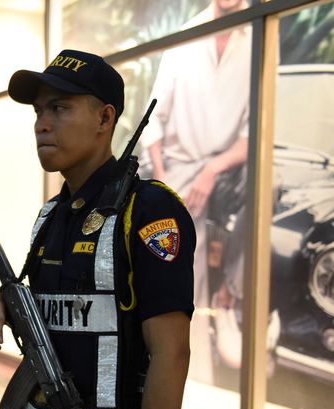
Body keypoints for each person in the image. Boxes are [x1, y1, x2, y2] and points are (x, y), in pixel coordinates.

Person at [0, 49, 195, 409]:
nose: (42, 124)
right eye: (39, 111)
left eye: (60, 108)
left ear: (105, 118)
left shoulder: (150, 212)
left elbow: (171, 356)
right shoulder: (51, 215)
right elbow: (41, 297)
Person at [141, 0, 251, 381]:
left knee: (268, 185)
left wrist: (212, 170)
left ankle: (230, 299)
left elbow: (255, 133)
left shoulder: (257, 37)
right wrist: (163, 179)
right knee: (183, 252)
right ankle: (189, 370)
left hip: (224, 166)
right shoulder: (187, 36)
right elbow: (154, 119)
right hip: (174, 166)